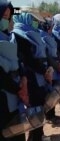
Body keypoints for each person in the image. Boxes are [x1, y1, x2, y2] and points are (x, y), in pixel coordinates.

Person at [12, 12, 53, 141]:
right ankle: (35, 137)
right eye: (32, 19)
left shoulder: (30, 32)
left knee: (39, 107)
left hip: (39, 76)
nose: (35, 22)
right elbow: (28, 59)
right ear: (25, 20)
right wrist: (44, 71)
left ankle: (38, 135)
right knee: (35, 109)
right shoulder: (19, 35)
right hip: (31, 79)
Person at [0, 1, 28, 141]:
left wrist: (23, 78)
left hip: (16, 95)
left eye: (8, 18)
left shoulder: (11, 37)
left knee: (17, 133)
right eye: (3, 17)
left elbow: (19, 61)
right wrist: (18, 89)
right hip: (3, 99)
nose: (6, 21)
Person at [38, 17, 60, 124]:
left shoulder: (49, 36)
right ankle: (49, 116)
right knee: (48, 95)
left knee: (53, 93)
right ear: (46, 26)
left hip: (55, 68)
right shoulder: (41, 37)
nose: (52, 28)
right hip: (49, 70)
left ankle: (52, 114)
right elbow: (48, 56)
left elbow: (55, 52)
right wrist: (57, 66)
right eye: (50, 26)